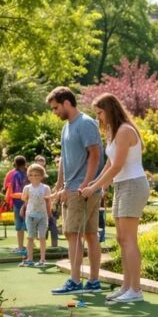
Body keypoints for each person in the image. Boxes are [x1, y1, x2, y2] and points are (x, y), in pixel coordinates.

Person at [81, 94, 150, 304]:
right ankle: (126, 287)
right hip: (122, 185)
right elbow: (110, 165)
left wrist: (95, 186)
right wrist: (96, 184)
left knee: (129, 239)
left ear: (110, 110)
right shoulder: (113, 131)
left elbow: (119, 165)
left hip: (133, 184)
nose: (98, 117)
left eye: (100, 113)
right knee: (121, 239)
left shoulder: (125, 131)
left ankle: (135, 289)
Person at [47, 86, 104, 295]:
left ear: (67, 103)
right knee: (88, 234)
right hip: (72, 188)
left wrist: (85, 184)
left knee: (74, 234)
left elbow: (95, 155)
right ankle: (92, 282)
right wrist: (60, 185)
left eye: (56, 108)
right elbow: (64, 159)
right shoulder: (66, 127)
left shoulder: (86, 123)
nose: (55, 113)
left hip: (83, 190)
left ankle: (76, 281)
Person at [19, 163, 52, 267]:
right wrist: (23, 208)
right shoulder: (27, 188)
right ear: (28, 176)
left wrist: (49, 212)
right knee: (30, 237)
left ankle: (42, 259)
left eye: (37, 175)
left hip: (43, 215)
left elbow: (48, 201)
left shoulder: (45, 188)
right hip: (30, 215)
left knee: (42, 237)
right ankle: (30, 258)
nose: (34, 177)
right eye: (31, 175)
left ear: (42, 176)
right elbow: (24, 199)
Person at [34, 155, 59, 248]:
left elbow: (55, 186)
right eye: (39, 161)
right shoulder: (32, 175)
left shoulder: (50, 175)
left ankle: (54, 246)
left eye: (42, 160)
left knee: (53, 224)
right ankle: (41, 246)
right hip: (38, 204)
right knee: (40, 226)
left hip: (50, 201)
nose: (41, 162)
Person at [5, 156, 28, 254]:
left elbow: (14, 190)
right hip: (29, 202)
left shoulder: (15, 175)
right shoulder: (29, 174)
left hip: (18, 202)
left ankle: (20, 247)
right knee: (29, 224)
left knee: (19, 226)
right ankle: (30, 245)